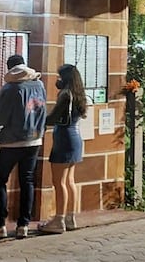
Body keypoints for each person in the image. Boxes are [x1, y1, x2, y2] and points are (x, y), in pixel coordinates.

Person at [0, 54, 47, 240]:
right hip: (34, 140)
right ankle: (23, 225)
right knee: (27, 181)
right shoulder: (39, 84)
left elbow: (1, 118)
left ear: (9, 68)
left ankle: (0, 225)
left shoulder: (10, 88)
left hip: (12, 141)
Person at [39, 64, 88, 234]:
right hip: (75, 137)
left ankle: (59, 219)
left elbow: (54, 118)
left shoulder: (66, 95)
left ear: (66, 79)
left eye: (59, 77)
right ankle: (70, 217)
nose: (57, 80)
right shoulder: (79, 94)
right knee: (70, 181)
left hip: (64, 138)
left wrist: (38, 118)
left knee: (58, 182)